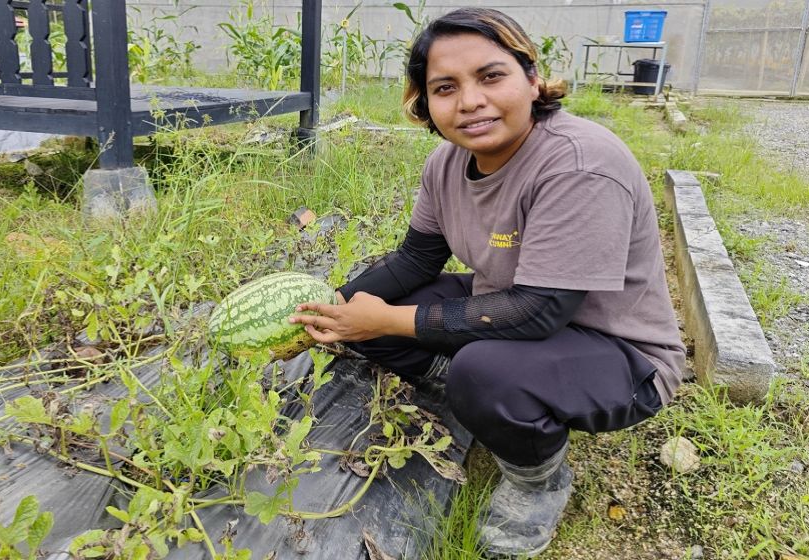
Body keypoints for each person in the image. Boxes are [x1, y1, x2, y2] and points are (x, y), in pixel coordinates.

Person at [289, 7, 685, 558]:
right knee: (373, 310)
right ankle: (464, 392)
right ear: (424, 103)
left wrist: (383, 320)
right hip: (507, 309)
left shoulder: (579, 163)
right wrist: (337, 303)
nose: (470, 101)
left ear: (531, 77)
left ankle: (536, 478)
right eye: (445, 87)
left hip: (617, 351)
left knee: (481, 370)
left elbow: (544, 309)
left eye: (491, 76)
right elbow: (416, 259)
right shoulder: (446, 164)